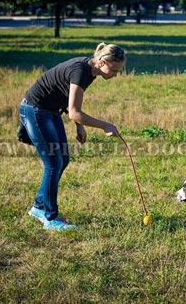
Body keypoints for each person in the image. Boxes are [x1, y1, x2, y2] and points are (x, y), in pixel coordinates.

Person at [20, 43, 125, 231]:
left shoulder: (92, 71)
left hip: (51, 111)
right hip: (35, 110)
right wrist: (105, 125)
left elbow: (70, 100)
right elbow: (74, 112)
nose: (116, 75)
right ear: (101, 62)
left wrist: (80, 126)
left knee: (63, 159)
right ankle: (50, 218)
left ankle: (38, 207)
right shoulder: (80, 71)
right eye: (114, 70)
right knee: (53, 163)